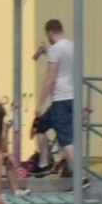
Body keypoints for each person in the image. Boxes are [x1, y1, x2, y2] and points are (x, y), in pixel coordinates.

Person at [32, 19, 77, 179]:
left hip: (60, 99)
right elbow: (64, 65)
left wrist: (39, 104)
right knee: (41, 126)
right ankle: (43, 164)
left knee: (65, 139)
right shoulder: (72, 46)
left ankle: (79, 177)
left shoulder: (55, 49)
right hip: (72, 98)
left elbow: (50, 79)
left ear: (50, 32)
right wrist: (47, 52)